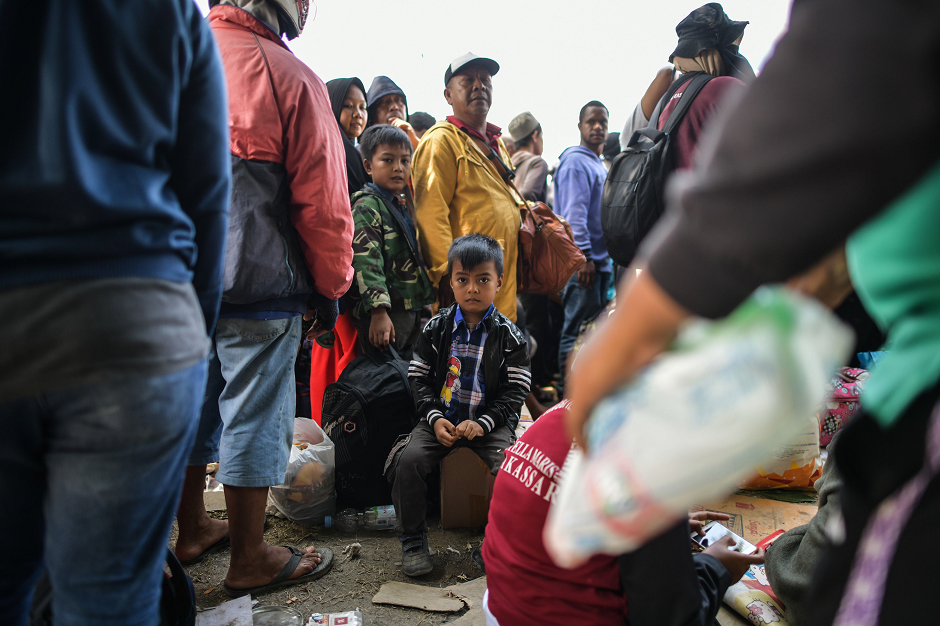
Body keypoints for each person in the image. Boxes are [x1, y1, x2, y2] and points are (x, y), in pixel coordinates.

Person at [565, 0, 940, 623]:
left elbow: (812, 136)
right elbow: (799, 156)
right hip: (733, 275)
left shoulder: (672, 101)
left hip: (719, 277)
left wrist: (639, 321)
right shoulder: (720, 92)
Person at [0, 1, 230, 624]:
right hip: (137, 323)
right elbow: (209, 198)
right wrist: (184, 336)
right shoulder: (174, 12)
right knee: (109, 603)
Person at [175, 0, 354, 598]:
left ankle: (194, 527)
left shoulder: (173, 52)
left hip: (173, 278)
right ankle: (249, 557)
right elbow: (324, 205)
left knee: (187, 407)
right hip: (257, 281)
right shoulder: (288, 75)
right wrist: (331, 288)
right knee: (253, 414)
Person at [483, 403, 764, 625]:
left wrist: (666, 533)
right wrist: (716, 568)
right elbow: (671, 618)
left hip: (503, 607)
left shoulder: (560, 414)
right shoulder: (648, 463)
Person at [390, 234, 530, 576]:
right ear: (450, 283)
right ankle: (412, 539)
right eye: (462, 280)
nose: (472, 289)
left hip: (490, 424)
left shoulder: (510, 336)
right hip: (442, 420)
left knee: (511, 471)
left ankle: (495, 540)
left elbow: (516, 390)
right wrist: (435, 418)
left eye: (483, 280)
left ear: (499, 282)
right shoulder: (436, 328)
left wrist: (484, 423)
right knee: (407, 461)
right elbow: (419, 378)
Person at [413, 52, 521, 323]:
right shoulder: (442, 141)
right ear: (448, 95)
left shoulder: (496, 143)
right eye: (468, 80)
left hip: (499, 283)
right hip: (467, 291)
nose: (479, 86)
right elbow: (430, 215)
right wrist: (448, 277)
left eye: (485, 80)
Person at [349, 125, 435, 358]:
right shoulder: (367, 206)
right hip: (386, 314)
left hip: (407, 309)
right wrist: (378, 311)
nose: (398, 168)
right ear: (368, 166)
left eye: (405, 161)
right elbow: (366, 262)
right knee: (385, 379)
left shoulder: (400, 204)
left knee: (406, 376)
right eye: (387, 160)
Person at [554, 101, 612, 382]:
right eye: (592, 121)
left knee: (591, 338)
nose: (598, 127)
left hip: (600, 266)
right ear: (580, 126)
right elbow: (573, 214)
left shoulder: (596, 163)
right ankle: (566, 408)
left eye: (603, 122)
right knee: (576, 335)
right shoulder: (576, 161)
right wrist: (584, 257)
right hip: (584, 266)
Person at [656, 4, 753, 170]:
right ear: (711, 51)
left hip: (680, 195)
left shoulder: (671, 95)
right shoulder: (725, 87)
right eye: (730, 47)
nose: (736, 53)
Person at [327, 77, 370, 196]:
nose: (358, 114)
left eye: (362, 107)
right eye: (348, 105)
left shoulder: (366, 153)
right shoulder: (325, 151)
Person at [367, 75, 420, 150]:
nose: (394, 107)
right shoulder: (360, 154)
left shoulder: (418, 147)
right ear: (370, 116)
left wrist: (415, 144)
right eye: (383, 102)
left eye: (398, 100)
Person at [507, 111, 548, 203]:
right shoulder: (537, 163)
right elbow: (527, 194)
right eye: (541, 137)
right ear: (534, 136)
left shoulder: (506, 165)